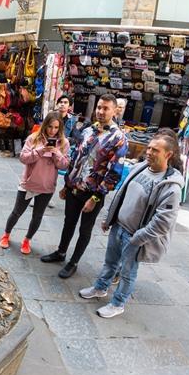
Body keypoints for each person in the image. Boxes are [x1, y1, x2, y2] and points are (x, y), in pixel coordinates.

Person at [79, 132, 184, 318]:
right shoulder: (140, 167)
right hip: (119, 226)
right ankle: (100, 288)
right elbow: (122, 194)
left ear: (168, 155)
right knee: (110, 263)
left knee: (127, 273)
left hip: (135, 237)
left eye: (155, 150)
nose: (149, 152)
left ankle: (118, 303)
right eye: (149, 148)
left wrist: (138, 238)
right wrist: (110, 218)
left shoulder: (171, 187)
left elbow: (163, 222)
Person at [41, 94, 128, 278]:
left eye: (106, 108)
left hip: (93, 193)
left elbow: (114, 173)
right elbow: (76, 158)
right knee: (68, 222)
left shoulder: (118, 138)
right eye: (99, 107)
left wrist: (96, 197)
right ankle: (61, 252)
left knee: (84, 229)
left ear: (114, 111)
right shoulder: (88, 130)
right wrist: (67, 184)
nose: (101, 111)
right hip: (74, 188)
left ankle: (74, 262)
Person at [0, 112, 70, 254]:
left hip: (47, 186)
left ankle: (27, 240)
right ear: (45, 125)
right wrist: (40, 150)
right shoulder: (33, 138)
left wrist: (56, 152)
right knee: (16, 212)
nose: (52, 131)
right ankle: (6, 234)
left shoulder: (63, 143)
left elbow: (64, 165)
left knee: (37, 216)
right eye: (50, 126)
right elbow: (23, 158)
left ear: (60, 128)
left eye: (56, 127)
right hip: (29, 183)